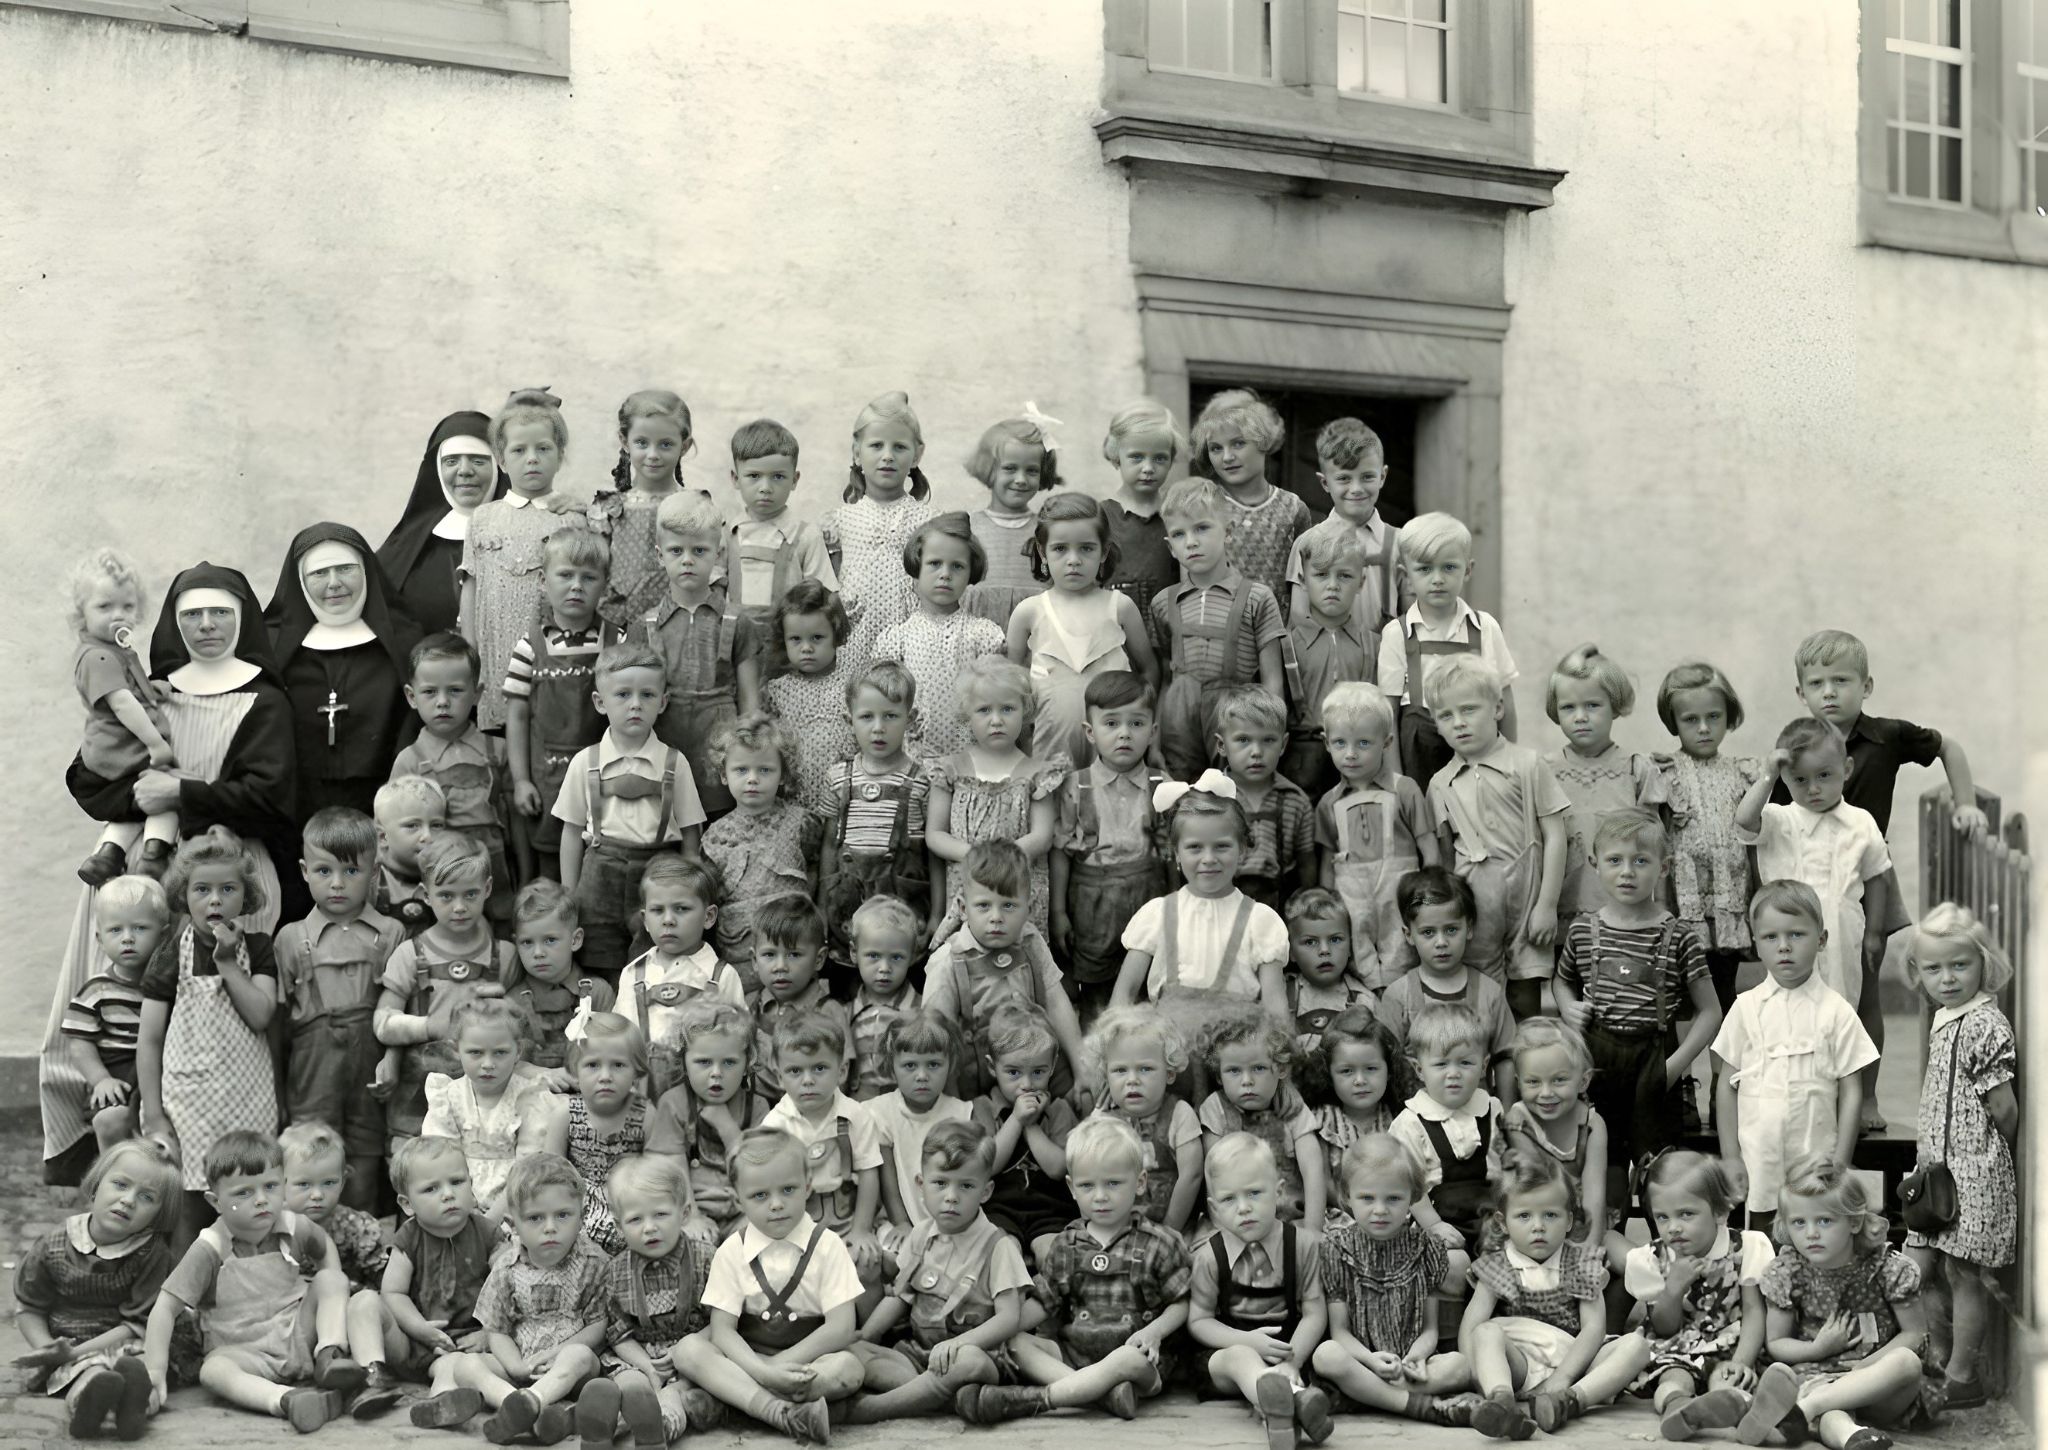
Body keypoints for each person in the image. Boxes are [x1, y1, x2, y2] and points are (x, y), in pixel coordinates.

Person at [44, 562, 298, 1184]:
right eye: (191, 615)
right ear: (172, 624)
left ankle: (241, 1177)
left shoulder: (265, 698)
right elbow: (92, 778)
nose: (206, 626)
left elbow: (272, 798)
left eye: (220, 614)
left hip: (230, 874)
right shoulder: (149, 689)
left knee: (233, 1018)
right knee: (127, 1014)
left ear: (242, 620)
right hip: (148, 880)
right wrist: (138, 794)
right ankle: (134, 1176)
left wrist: (182, 791)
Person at [1775, 627, 1989, 1134]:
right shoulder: (1799, 745)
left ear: (1866, 686)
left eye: (1842, 680)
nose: (1830, 692)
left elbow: (1948, 747)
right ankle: (1808, 1088)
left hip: (1866, 879)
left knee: (1867, 985)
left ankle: (1866, 1095)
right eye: (1817, 682)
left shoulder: (1887, 736)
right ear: (1801, 692)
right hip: (1810, 884)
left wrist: (1966, 805)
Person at [953, 1116, 1191, 1424]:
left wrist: (1154, 1332)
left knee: (1128, 1360)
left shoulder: (1160, 1242)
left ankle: (1041, 1399)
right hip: (1074, 1356)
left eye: (1113, 1183)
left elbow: (1182, 1301)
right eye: (1088, 1185)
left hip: (1134, 1358)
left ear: (1140, 1182)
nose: (1100, 1196)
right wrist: (997, 1330)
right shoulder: (1067, 1243)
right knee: (1017, 1343)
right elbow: (1043, 1302)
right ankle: (1100, 1393)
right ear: (1071, 1188)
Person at [141, 1131, 368, 1433]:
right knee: (214, 1371)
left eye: (271, 1186)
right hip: (245, 1352)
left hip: (298, 1336)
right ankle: (286, 1400)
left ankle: (331, 1356)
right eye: (243, 1193)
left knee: (330, 1279)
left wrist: (333, 1308)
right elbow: (165, 1308)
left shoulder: (292, 1225)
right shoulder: (210, 1247)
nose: (262, 1200)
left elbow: (323, 1245)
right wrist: (154, 1370)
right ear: (215, 1201)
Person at [1545, 1151, 1771, 1440]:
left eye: (1686, 1214)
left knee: (1727, 1379)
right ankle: (1679, 1408)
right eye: (1662, 1217)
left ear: (1720, 1212)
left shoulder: (1747, 1248)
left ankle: (1735, 1410)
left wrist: (1741, 1360)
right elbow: (1665, 1327)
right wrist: (1673, 1289)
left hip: (1731, 1347)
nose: (1673, 1227)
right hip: (1678, 1348)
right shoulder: (1653, 1259)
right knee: (1673, 1377)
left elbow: (1754, 1312)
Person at [1552, 807, 1721, 1191]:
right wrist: (1567, 1007)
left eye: (1641, 861)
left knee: (1659, 1171)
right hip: (1598, 1060)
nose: (1627, 872)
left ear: (1663, 868)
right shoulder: (1582, 931)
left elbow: (1711, 1012)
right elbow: (1561, 982)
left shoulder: (1680, 936)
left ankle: (1663, 1242)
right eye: (1615, 860)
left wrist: (1674, 1066)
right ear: (1596, 864)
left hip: (1655, 1058)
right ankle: (1607, 1243)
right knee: (1602, 1161)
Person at [671, 1127, 867, 1441]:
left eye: (788, 1190)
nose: (776, 1204)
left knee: (848, 1368)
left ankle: (733, 1401)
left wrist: (778, 1368)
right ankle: (779, 1412)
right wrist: (763, 1372)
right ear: (738, 1199)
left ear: (808, 1186)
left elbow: (841, 1327)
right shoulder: (732, 1250)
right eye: (760, 1195)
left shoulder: (828, 1245)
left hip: (810, 1360)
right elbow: (723, 1330)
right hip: (750, 1358)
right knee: (688, 1350)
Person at [1900, 904, 2018, 1411]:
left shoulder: (1985, 1023)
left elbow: (2004, 1108)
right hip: (1937, 1171)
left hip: (1972, 1169)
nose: (1946, 979)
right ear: (1919, 973)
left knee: (1963, 1272)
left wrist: (1981, 1157)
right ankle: (1936, 1353)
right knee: (1917, 1267)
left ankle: (1963, 1374)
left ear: (1983, 964)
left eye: (1959, 966)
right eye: (1933, 969)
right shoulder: (1947, 1017)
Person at [1710, 881, 1878, 1234]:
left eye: (1797, 934)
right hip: (1760, 1163)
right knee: (1762, 1250)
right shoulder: (1746, 1009)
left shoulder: (1837, 1012)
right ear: (1755, 942)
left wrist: (1841, 1160)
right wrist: (1730, 1157)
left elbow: (1851, 1092)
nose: (1784, 947)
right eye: (1770, 937)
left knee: (1814, 1245)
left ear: (1821, 939)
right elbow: (1727, 1086)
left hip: (1816, 1163)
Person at [136, 828, 281, 1235]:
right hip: (189, 1102)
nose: (214, 900)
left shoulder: (258, 947)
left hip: (248, 1098)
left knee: (248, 1197)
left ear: (245, 896)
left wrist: (228, 963)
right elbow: (149, 1040)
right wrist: (153, 1114)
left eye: (227, 889)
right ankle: (189, 1292)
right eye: (202, 889)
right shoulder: (169, 954)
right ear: (184, 895)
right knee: (190, 1207)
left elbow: (260, 1015)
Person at [1110, 774, 1292, 1097]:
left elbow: (1276, 1008)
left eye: (1222, 846)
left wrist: (1280, 1069)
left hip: (1236, 1069)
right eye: (1195, 848)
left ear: (1243, 851)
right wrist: (1115, 1056)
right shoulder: (1157, 914)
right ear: (1176, 854)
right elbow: (1123, 998)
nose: (1208, 858)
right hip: (1170, 1067)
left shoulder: (1261, 921)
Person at [1734, 1155, 1930, 1450]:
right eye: (1799, 1222)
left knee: (1908, 1363)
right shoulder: (1788, 1271)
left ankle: (1800, 1413)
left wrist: (1864, 1369)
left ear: (1853, 1222)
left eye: (1824, 1220)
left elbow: (1914, 1334)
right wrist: (1818, 1349)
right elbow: (1776, 1343)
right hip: (1816, 1376)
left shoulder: (1887, 1268)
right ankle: (1852, 1438)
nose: (1811, 1233)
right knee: (1833, 1411)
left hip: (1878, 1382)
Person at [846, 1118, 1031, 1422]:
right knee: (855, 1353)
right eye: (941, 1183)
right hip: (919, 1356)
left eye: (966, 1185)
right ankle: (946, 1400)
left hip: (975, 1356)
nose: (951, 1196)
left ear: (986, 1191)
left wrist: (960, 1343)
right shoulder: (919, 1236)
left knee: (967, 1363)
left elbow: (1009, 1318)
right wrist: (867, 1334)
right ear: (921, 1185)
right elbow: (900, 1297)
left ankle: (873, 1410)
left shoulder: (998, 1245)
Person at [425, 1153, 612, 1441]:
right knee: (466, 1365)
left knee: (580, 1356)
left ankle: (533, 1401)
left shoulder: (595, 1263)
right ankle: (516, 1403)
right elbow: (495, 1329)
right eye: (535, 1218)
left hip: (569, 1370)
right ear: (512, 1225)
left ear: (582, 1215)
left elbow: (598, 1325)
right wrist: (515, 1366)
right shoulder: (506, 1268)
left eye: (563, 1215)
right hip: (520, 1362)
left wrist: (559, 1351)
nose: (550, 1227)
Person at [1425, 653, 1569, 1020]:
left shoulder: (1527, 764)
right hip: (1474, 902)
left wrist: (1547, 905)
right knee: (1478, 996)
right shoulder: (1440, 784)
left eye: (1469, 709)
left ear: (1498, 708)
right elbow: (1444, 860)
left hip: (1526, 898)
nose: (1459, 723)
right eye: (1446, 716)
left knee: (1524, 997)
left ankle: (1526, 1074)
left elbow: (1555, 836)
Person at [274, 809, 407, 1204]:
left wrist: (393, 1062)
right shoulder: (291, 938)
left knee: (365, 1157)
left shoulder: (390, 933)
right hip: (311, 1072)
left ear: (375, 873)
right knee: (309, 1154)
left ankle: (362, 1249)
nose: (337, 884)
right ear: (303, 871)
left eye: (351, 871)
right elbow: (279, 1024)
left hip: (370, 1067)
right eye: (323, 871)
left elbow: (398, 1010)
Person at [553, 640, 709, 976]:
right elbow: (569, 831)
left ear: (663, 702)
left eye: (647, 695)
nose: (635, 705)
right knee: (599, 955)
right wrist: (570, 893)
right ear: (600, 702)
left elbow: (690, 833)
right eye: (623, 695)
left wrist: (690, 882)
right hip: (600, 874)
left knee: (657, 959)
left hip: (659, 875)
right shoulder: (585, 762)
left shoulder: (673, 763)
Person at [11, 1137, 181, 1439]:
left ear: (159, 1213)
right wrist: (47, 1349)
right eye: (120, 1185)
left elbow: (140, 1324)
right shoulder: (54, 1245)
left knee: (143, 1369)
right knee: (90, 1373)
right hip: (71, 1343)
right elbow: (30, 1307)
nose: (128, 1200)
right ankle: (88, 1410)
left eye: (146, 1197)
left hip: (130, 1340)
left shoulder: (151, 1253)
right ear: (97, 1184)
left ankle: (135, 1411)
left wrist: (80, 1352)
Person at [265, 521, 421, 828]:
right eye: (319, 573)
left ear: (366, 572)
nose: (334, 583)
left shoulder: (403, 640)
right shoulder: (271, 648)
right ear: (300, 581)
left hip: (383, 795)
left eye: (345, 569)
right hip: (299, 800)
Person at [1187, 1132, 1334, 1450]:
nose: (1243, 1208)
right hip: (1229, 1353)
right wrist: (1247, 1341)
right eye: (1229, 1199)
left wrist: (1292, 1362)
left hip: (1290, 1350)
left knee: (1311, 1364)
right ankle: (1295, 1400)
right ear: (1213, 1208)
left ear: (1279, 1192)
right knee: (1240, 1358)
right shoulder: (1210, 1256)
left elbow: (1314, 1312)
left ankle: (1279, 1416)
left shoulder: (1302, 1246)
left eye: (1254, 1193)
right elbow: (1198, 1321)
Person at [373, 832, 523, 1143]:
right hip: (417, 1099)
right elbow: (383, 1023)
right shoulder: (411, 955)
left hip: (485, 1096)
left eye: (470, 894)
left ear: (488, 889)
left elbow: (521, 1025)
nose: (459, 907)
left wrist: (502, 1010)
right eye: (446, 896)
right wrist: (430, 1026)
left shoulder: (505, 955)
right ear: (425, 895)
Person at [1736, 718, 1891, 1011]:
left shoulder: (1860, 822)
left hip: (1842, 929)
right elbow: (1743, 822)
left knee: (1840, 1003)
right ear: (1785, 778)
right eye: (1800, 780)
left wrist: (1874, 932)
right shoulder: (1779, 819)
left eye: (1823, 775)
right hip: (1787, 928)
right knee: (1789, 1004)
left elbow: (1877, 875)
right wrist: (1767, 776)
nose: (1813, 789)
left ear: (1846, 770)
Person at [502, 524, 626, 883]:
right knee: (551, 868)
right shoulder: (529, 648)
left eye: (589, 577)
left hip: (605, 777)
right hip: (549, 779)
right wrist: (522, 780)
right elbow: (518, 717)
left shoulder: (616, 641)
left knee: (603, 861)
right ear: (543, 580)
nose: (576, 586)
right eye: (566, 575)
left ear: (604, 584)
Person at [1459, 1149, 1610, 1439]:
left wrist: (1562, 1379)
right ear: (1504, 1223)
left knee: (1635, 1347)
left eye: (1550, 1215)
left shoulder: (1581, 1262)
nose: (1538, 1226)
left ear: (1568, 1220)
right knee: (1486, 1331)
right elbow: (1471, 1326)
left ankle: (1570, 1400)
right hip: (1520, 1366)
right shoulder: (1498, 1266)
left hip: (1575, 1364)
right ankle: (1501, 1400)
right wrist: (1476, 1379)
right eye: (1524, 1216)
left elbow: (1594, 1328)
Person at [924, 840, 1088, 1101]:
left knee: (1083, 1096)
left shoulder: (1031, 942)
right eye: (983, 906)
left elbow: (1056, 1003)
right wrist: (951, 1104)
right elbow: (938, 1035)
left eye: (1009, 906)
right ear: (964, 908)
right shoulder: (949, 959)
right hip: (974, 1082)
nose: (996, 917)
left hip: (1032, 1071)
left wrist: (1082, 1069)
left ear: (1028, 907)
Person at [1006, 491, 1160, 766]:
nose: (1073, 559)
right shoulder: (1029, 612)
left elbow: (1148, 669)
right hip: (1049, 748)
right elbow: (1011, 686)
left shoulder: (1120, 607)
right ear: (1043, 551)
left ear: (1103, 552)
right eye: (1060, 548)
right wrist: (1021, 738)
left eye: (1086, 548)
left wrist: (1142, 721)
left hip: (1113, 752)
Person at [463, 388, 585, 733]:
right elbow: (471, 587)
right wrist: (470, 657)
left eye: (543, 449)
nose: (532, 458)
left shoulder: (572, 519)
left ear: (560, 456)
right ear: (501, 459)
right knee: (501, 748)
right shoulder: (483, 519)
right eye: (519, 450)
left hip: (554, 658)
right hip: (496, 656)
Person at [1150, 477, 1287, 779]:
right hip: (1177, 721)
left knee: (1233, 798)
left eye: (1202, 528)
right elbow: (1164, 677)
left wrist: (1266, 737)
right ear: (1170, 547)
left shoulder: (1256, 597)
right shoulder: (1162, 603)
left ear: (1229, 531)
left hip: (1236, 719)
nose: (1191, 541)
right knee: (1182, 801)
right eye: (1179, 534)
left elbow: (1272, 681)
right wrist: (1156, 736)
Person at [640, 487, 763, 818]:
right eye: (676, 550)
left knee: (717, 829)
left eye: (699, 550)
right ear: (659, 554)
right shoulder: (646, 625)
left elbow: (750, 704)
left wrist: (745, 753)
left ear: (718, 554)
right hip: (664, 743)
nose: (688, 560)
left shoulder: (739, 622)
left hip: (719, 748)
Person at [1051, 671, 1169, 1018]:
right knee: (1097, 998)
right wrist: (1058, 912)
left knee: (1149, 990)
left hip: (1150, 901)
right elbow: (1061, 854)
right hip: (1092, 907)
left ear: (1152, 732)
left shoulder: (1164, 786)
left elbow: (1175, 856)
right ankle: (1096, 1063)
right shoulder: (1075, 787)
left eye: (1136, 723)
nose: (1124, 734)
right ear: (1090, 732)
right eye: (1111, 723)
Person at [1652, 660, 1762, 1018]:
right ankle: (1682, 1073)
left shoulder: (1742, 772)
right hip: (1685, 901)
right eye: (1690, 720)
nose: (1703, 728)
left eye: (1714, 717)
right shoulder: (1664, 772)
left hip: (1727, 898)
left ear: (1728, 716)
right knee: (1681, 994)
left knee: (1723, 989)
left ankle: (1723, 1072)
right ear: (1674, 722)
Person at [1376, 511, 1518, 787]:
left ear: (1468, 570)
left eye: (1449, 567)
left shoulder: (1483, 627)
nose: (1437, 578)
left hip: (1478, 754)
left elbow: (1506, 702)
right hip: (1419, 756)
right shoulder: (1398, 633)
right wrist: (1397, 780)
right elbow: (1388, 713)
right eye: (1425, 569)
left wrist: (1508, 763)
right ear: (1406, 575)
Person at [591, 1155, 722, 1445]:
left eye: (660, 1214)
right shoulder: (616, 1272)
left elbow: (722, 1323)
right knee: (629, 1382)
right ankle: (601, 1424)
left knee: (690, 1387)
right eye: (636, 1219)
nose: (649, 1227)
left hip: (695, 1356)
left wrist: (681, 1356)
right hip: (641, 1357)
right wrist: (649, 1368)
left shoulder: (707, 1259)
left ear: (684, 1213)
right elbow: (619, 1334)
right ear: (618, 1224)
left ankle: (661, 1426)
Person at [68, 549, 179, 885]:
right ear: (81, 613)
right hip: (122, 754)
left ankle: (108, 857)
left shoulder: (113, 650)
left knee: (128, 808)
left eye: (127, 606)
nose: (118, 615)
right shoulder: (98, 657)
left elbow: (129, 685)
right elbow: (123, 704)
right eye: (105, 606)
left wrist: (150, 688)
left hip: (116, 756)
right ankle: (154, 856)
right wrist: (157, 745)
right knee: (167, 794)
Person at [377, 1136, 504, 1427]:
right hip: (424, 1342)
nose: (448, 1194)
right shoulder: (409, 1238)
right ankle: (443, 1400)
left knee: (456, 1366)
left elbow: (507, 1287)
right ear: (407, 1204)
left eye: (457, 1182)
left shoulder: (487, 1233)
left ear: (472, 1184)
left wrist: (490, 1333)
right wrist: (419, 1329)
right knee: (446, 1363)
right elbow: (393, 1292)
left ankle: (441, 1405)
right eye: (431, 1188)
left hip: (473, 1340)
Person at [1316, 681, 1435, 990]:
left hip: (1397, 890)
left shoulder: (1404, 790)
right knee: (1359, 954)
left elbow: (1428, 847)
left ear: (1386, 741)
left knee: (1402, 953)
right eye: (1340, 743)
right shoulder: (1329, 802)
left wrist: (1429, 890)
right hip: (1351, 893)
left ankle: (1400, 1003)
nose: (1351, 754)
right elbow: (1328, 857)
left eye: (1364, 743)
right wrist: (1328, 899)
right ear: (1326, 743)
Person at [820, 660, 936, 972]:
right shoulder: (838, 778)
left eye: (891, 716)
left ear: (909, 719)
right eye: (867, 717)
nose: (878, 728)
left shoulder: (922, 780)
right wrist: (821, 905)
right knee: (847, 976)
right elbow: (830, 845)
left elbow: (933, 854)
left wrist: (937, 911)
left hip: (903, 908)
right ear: (850, 719)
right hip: (846, 910)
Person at [390, 633, 512, 929]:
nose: (443, 702)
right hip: (441, 878)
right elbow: (395, 831)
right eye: (430, 692)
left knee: (499, 936)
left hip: (496, 873)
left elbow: (515, 820)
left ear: (477, 694)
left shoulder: (497, 750)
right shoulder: (410, 761)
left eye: (455, 691)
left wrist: (525, 873)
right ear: (411, 696)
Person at [1543, 644, 1668, 923]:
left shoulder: (1636, 770)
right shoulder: (1544, 772)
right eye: (1568, 707)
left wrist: (1659, 907)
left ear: (1614, 706)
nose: (1580, 717)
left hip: (1624, 920)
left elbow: (1654, 847)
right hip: (1562, 917)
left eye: (1592, 705)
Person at [1372, 868, 1517, 1102]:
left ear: (1469, 929)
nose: (1441, 942)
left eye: (1451, 930)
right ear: (1409, 935)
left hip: (1477, 1122)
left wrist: (1508, 1114)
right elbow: (1383, 1063)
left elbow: (1505, 1058)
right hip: (1418, 1126)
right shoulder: (1399, 995)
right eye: (1428, 932)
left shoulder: (1489, 993)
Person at [872, 511, 1007, 762]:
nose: (945, 574)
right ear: (917, 567)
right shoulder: (896, 640)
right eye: (935, 564)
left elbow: (997, 701)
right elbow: (883, 706)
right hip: (911, 760)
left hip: (970, 757)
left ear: (970, 573)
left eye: (957, 566)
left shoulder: (983, 636)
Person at [420, 997, 562, 1223]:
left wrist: (490, 1222)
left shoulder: (529, 1099)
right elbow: (439, 1160)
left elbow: (529, 1168)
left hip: (516, 1204)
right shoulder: (447, 1097)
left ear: (517, 1052)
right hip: (456, 1202)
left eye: (500, 1053)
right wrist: (466, 1212)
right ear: (457, 1050)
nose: (488, 1063)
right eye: (476, 1052)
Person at [1387, 1002, 1505, 1272]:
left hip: (1490, 1221)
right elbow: (1409, 1187)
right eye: (1441, 1064)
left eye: (1465, 1063)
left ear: (1484, 1065)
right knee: (1455, 1263)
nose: (1454, 1073)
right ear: (1419, 1070)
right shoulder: (1410, 1123)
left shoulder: (1491, 1109)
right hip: (1438, 1223)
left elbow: (1503, 1170)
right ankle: (1458, 1311)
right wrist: (1433, 1225)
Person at [619, 854, 747, 1096]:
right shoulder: (634, 974)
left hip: (701, 1096)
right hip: (642, 1095)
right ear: (645, 920)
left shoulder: (720, 976)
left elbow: (740, 1044)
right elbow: (621, 1040)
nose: (668, 920)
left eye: (681, 909)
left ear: (708, 917)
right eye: (658, 910)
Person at [700, 713, 819, 975]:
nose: (752, 779)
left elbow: (816, 879)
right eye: (741, 770)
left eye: (764, 770)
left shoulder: (802, 824)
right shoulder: (713, 838)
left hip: (794, 958)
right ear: (723, 774)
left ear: (783, 775)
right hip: (739, 960)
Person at [59, 874, 168, 1156]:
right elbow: (79, 1043)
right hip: (117, 1078)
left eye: (140, 928)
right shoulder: (97, 990)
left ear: (164, 934)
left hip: (161, 1078)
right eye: (116, 930)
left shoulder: (172, 987)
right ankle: (113, 1176)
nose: (128, 938)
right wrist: (101, 1080)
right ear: (99, 938)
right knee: (112, 1118)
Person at [829, 390, 938, 669]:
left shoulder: (930, 521)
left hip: (911, 635)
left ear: (917, 454)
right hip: (856, 634)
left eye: (899, 447)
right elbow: (829, 586)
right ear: (857, 452)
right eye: (876, 446)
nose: (887, 456)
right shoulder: (840, 521)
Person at [376, 411, 508, 637]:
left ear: (498, 466)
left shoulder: (522, 532)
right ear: (437, 469)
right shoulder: (407, 546)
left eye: (478, 460)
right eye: (451, 461)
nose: (465, 471)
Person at [1283, 417, 1402, 650]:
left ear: (1383, 476)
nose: (1356, 489)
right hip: (1327, 666)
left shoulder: (1400, 543)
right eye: (1344, 479)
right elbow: (1298, 617)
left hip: (1385, 666)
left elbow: (1411, 617)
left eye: (1367, 476)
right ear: (1325, 482)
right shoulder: (1307, 543)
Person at [1084, 1006, 1203, 1235]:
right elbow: (1085, 1171)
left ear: (1169, 1073)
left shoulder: (1179, 1114)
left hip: (1174, 1226)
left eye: (1145, 1069)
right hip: (1117, 1230)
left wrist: (1169, 1230)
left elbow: (1192, 1175)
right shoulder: (1103, 1121)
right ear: (1106, 1075)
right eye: (1120, 1070)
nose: (1132, 1080)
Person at [1198, 1014, 1326, 1227]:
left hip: (1291, 1218)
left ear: (1281, 1069)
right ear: (1219, 1077)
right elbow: (1214, 1175)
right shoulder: (1216, 1108)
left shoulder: (1292, 1107)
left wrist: (1313, 1232)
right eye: (1234, 1071)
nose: (1247, 1081)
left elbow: (1313, 1172)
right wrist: (1225, 1232)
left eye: (1258, 1068)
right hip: (1236, 1220)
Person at [1191, 388, 1309, 602]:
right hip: (1217, 627)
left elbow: (1303, 584)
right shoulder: (1203, 505)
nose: (1227, 457)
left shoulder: (1293, 509)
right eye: (1216, 448)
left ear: (1263, 442)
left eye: (1238, 443)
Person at [1281, 526, 1374, 799]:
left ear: (1361, 582)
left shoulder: (1375, 645)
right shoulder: (1285, 646)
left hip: (1358, 766)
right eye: (1321, 575)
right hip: (1300, 769)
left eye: (1344, 576)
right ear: (1302, 578)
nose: (1332, 585)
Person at [590, 387, 696, 624]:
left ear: (685, 446)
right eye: (642, 443)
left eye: (666, 444)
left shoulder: (695, 509)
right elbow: (594, 573)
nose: (653, 454)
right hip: (619, 629)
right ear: (624, 442)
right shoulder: (608, 511)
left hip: (678, 628)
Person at [726, 417, 839, 638]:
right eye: (754, 476)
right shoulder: (726, 533)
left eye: (778, 477)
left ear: (795, 480)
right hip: (734, 645)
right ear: (735, 478)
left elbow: (825, 596)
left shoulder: (805, 535)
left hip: (788, 644)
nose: (765, 488)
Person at [562, 1012, 662, 1255]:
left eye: (618, 1065)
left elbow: (657, 1171)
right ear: (575, 1070)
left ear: (636, 1070)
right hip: (577, 1203)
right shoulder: (565, 1113)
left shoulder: (644, 1114)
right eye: (592, 1065)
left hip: (627, 1203)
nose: (605, 1076)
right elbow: (550, 1173)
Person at [759, 580, 859, 819]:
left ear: (836, 636)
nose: (806, 648)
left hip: (847, 798)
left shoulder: (854, 684)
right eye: (795, 639)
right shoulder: (777, 691)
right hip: (795, 802)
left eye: (816, 638)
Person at [1213, 685, 1317, 911]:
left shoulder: (1295, 801)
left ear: (1284, 744)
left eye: (1268, 740)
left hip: (1278, 909)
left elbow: (1307, 864)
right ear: (1222, 745)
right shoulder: (1211, 797)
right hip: (1219, 908)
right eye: (1243, 740)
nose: (1256, 751)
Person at [507, 879, 617, 1081]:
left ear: (575, 940)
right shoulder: (512, 1002)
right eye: (527, 942)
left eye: (550, 940)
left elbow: (618, 1052)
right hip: (532, 1096)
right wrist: (543, 1074)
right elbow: (504, 1062)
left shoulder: (598, 992)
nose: (538, 953)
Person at [1097, 400, 1182, 651]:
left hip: (1168, 639)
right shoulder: (1100, 517)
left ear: (1171, 460)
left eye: (1159, 458)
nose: (1148, 468)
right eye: (1136, 457)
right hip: (1114, 638)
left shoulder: (1178, 514)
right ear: (1116, 457)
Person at [962, 414, 1058, 628]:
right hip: (978, 631)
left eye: (1031, 470)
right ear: (989, 468)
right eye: (1010, 468)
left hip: (1035, 632)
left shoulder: (1048, 530)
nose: (1021, 479)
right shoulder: (967, 527)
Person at [846, 895, 923, 1100]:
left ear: (912, 956)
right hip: (859, 1111)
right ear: (854, 953)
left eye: (896, 957)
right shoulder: (846, 1014)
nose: (884, 968)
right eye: (873, 956)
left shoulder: (922, 1012)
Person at [1281, 886, 1375, 1055]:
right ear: (1291, 952)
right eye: (1310, 942)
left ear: (1350, 947)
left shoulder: (1363, 1000)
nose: (1324, 950)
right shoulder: (1282, 995)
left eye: (1335, 939)